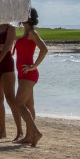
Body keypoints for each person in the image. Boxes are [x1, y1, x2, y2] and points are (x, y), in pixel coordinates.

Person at [11, 9, 48, 146]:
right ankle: (28, 136)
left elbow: (44, 49)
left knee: (18, 104)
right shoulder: (26, 32)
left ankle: (35, 132)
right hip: (22, 74)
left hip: (29, 74)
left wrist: (34, 66)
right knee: (29, 105)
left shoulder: (32, 32)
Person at [0, 21, 24, 141]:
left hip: (6, 65)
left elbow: (7, 47)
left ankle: (20, 131)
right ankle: (2, 131)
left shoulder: (10, 28)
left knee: (11, 99)